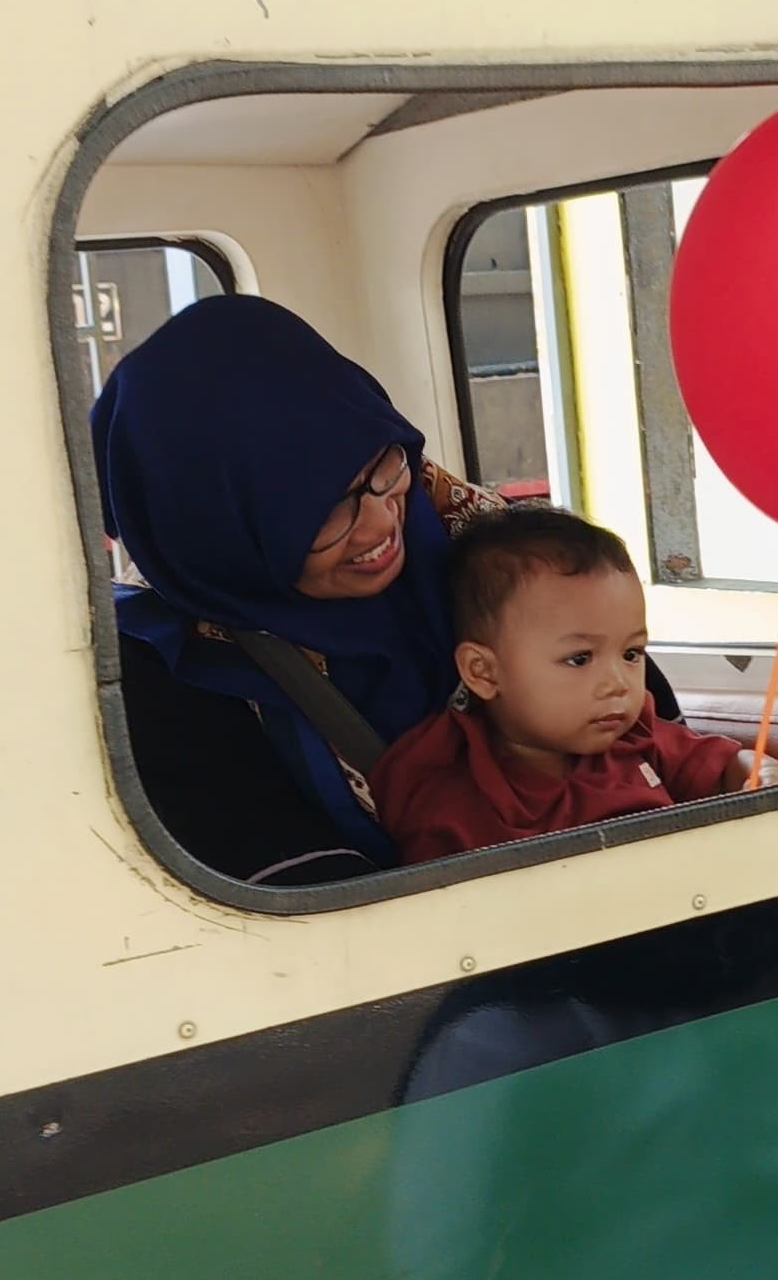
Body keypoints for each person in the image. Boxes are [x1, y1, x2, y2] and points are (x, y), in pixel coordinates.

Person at [88, 294, 496, 883]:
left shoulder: (475, 533)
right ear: (216, 527)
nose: (382, 524)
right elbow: (300, 905)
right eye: (324, 512)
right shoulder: (160, 681)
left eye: (384, 466)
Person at [375, 509, 778, 865]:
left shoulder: (639, 738)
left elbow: (727, 766)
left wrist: (763, 773)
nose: (618, 684)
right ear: (483, 672)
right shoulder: (449, 791)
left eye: (632, 653)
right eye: (579, 659)